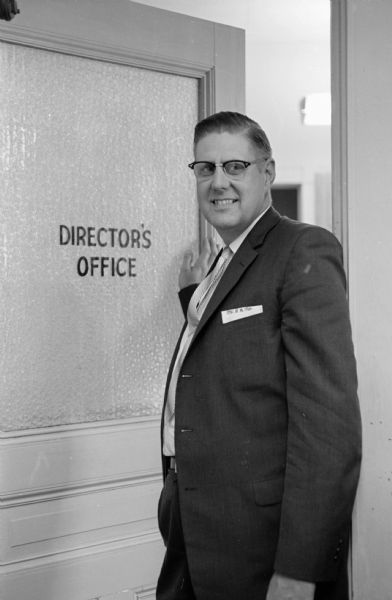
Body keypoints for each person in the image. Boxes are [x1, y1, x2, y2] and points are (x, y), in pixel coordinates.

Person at [156, 111, 361, 600]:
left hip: (261, 545)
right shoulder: (218, 266)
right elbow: (235, 357)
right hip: (194, 523)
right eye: (205, 169)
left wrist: (299, 570)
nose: (218, 182)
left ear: (266, 173)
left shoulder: (302, 248)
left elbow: (329, 427)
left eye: (234, 166)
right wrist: (194, 299)